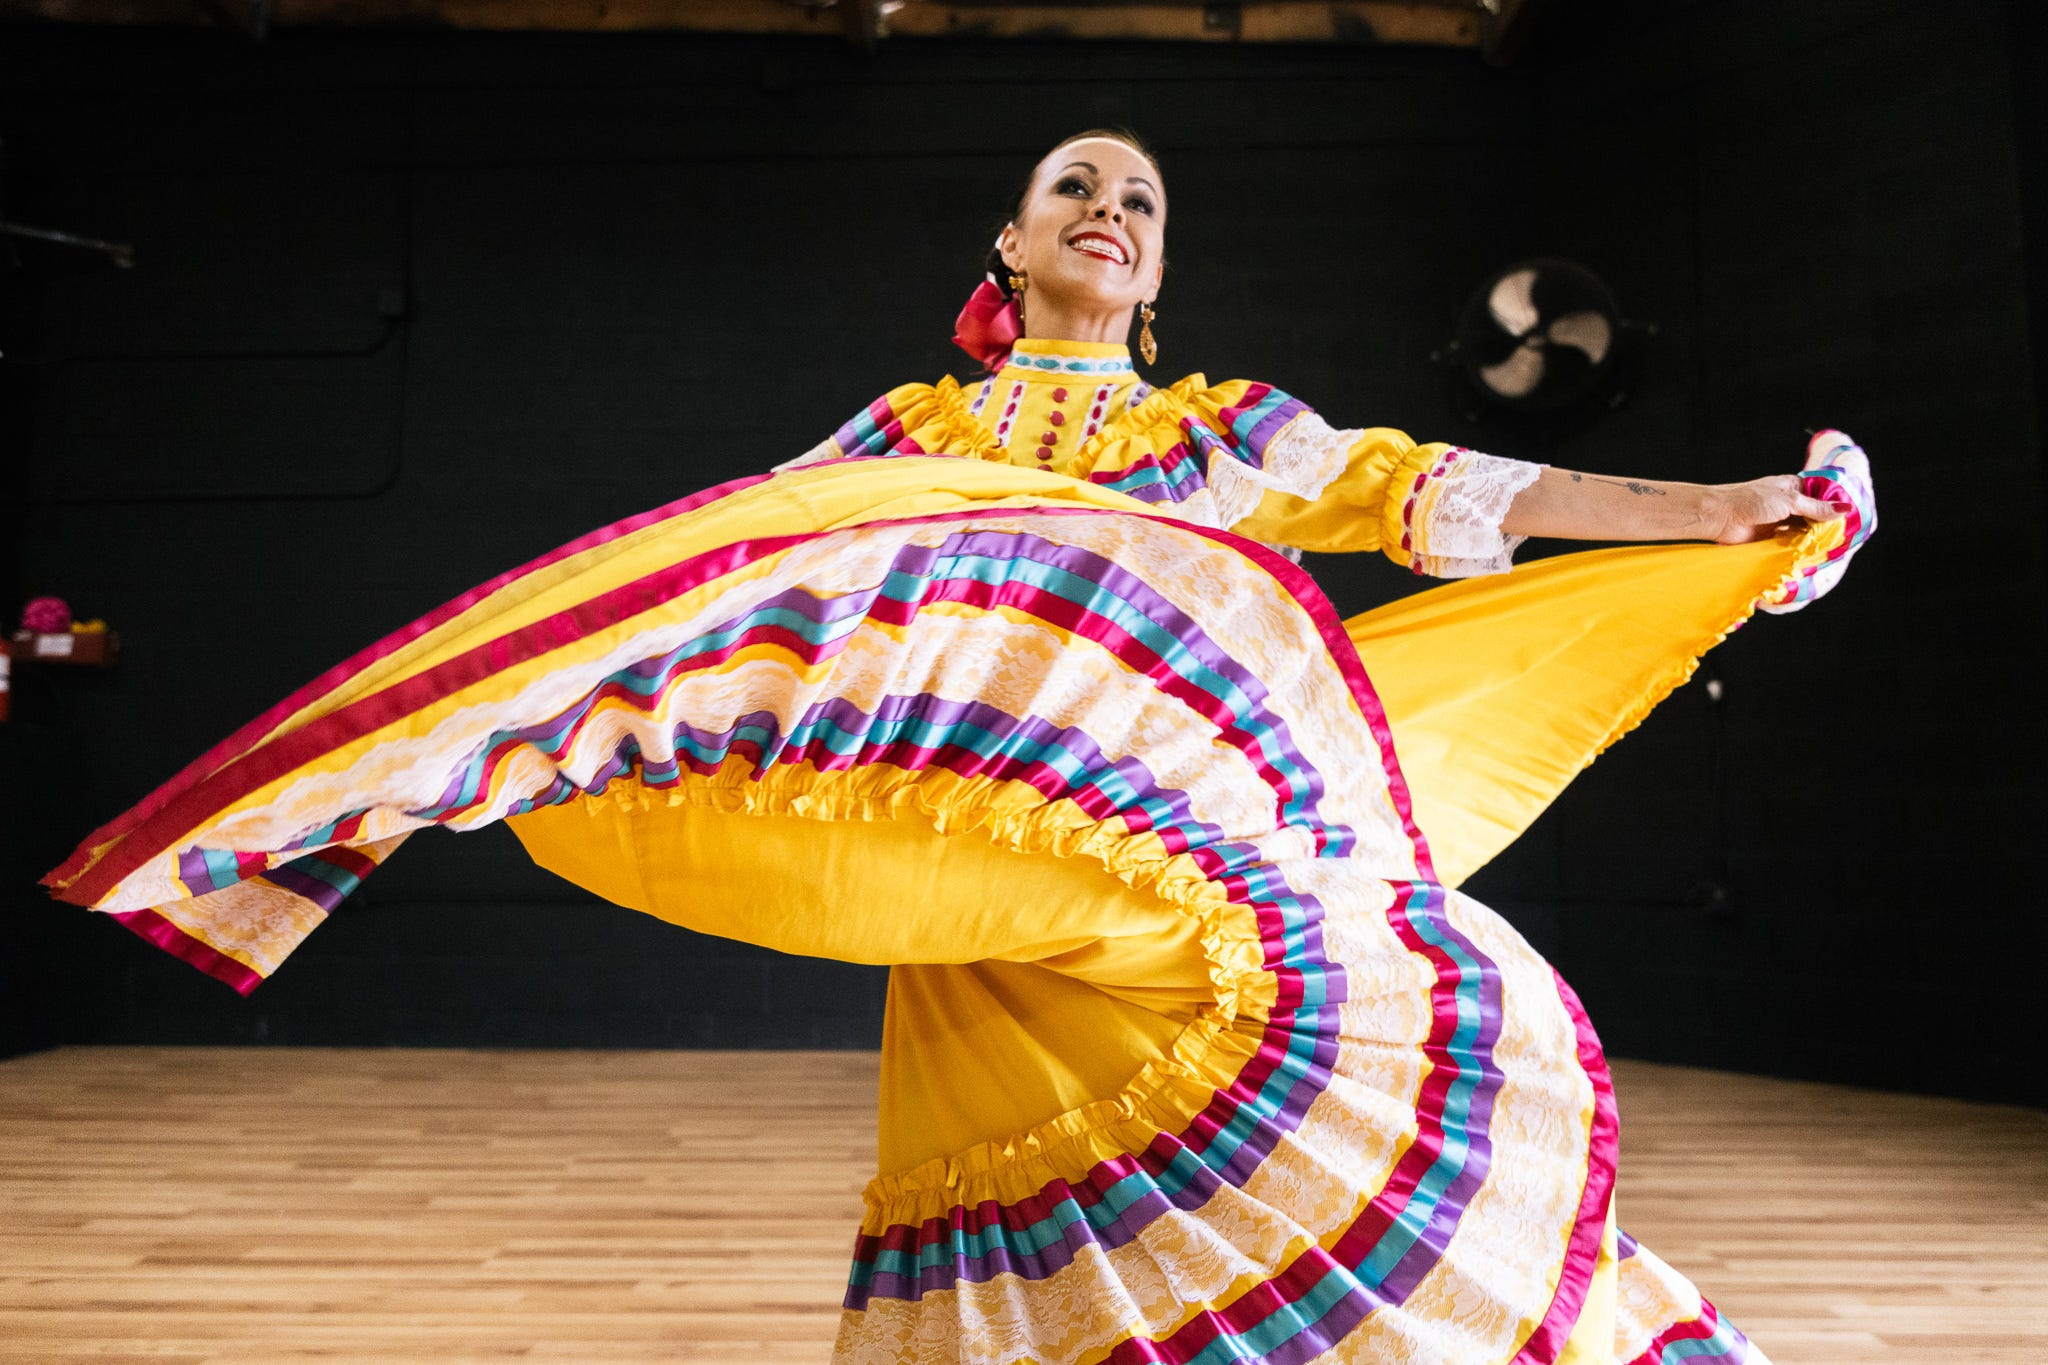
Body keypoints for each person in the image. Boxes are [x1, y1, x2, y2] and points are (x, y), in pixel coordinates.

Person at [42, 128, 1872, 1364]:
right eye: (1073, 186)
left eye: (1141, 202)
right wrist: (520, 712)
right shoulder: (907, 431)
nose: (1109, 209)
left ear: (1156, 272)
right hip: (989, 894)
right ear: (1009, 243)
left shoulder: (1228, 435)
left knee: (1339, 1173)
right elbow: (756, 581)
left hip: (1188, 907)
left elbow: (1460, 491)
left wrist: (1713, 508)